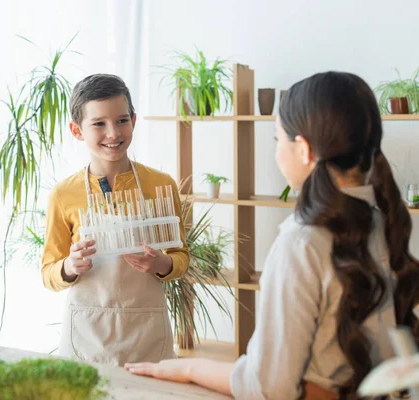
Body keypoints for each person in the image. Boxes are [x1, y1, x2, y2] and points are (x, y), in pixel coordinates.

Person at [125, 71, 419, 399]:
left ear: (304, 150)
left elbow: (269, 388)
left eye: (278, 139)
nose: (277, 151)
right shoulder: (382, 222)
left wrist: (189, 367)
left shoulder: (303, 242)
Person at [41, 74, 190, 367]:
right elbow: (48, 273)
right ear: (77, 130)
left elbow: (181, 258)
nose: (113, 133)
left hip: (146, 333)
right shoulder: (63, 194)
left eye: (122, 120)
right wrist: (70, 266)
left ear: (133, 120)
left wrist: (161, 263)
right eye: (99, 123)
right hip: (88, 336)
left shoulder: (160, 185)